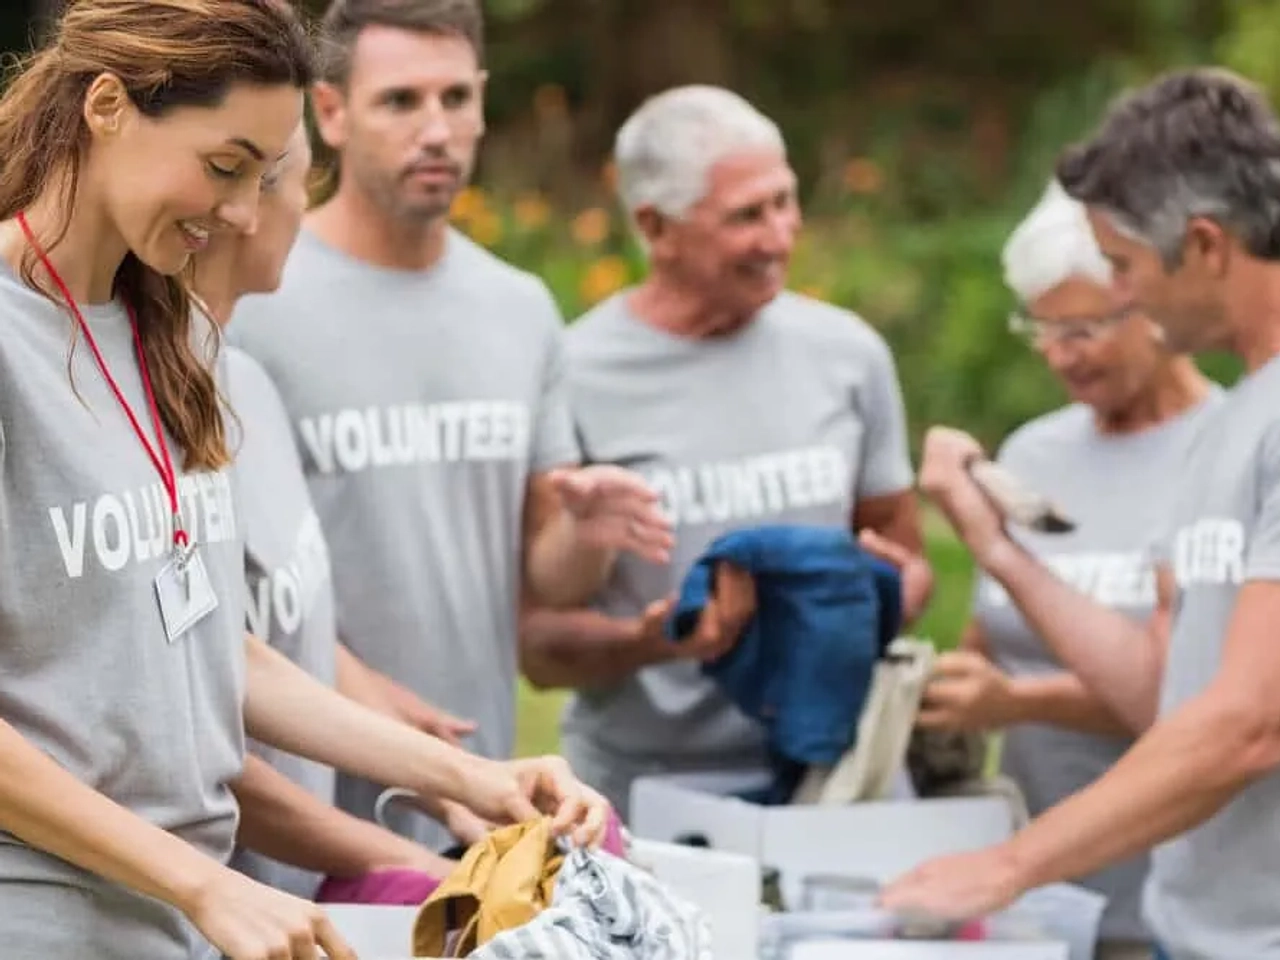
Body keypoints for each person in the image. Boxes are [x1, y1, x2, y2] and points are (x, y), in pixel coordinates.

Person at [0, 3, 611, 958]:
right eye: (224, 166)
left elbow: (214, 647)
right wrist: (204, 883)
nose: (244, 212)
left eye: (261, 175)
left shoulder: (177, 336)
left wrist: (472, 777)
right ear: (109, 106)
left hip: (175, 920)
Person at [229, 0, 671, 853]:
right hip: (294, 809)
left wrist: (584, 531)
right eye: (400, 102)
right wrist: (359, 702)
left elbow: (551, 582)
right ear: (330, 112)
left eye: (455, 99)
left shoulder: (520, 307)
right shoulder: (256, 295)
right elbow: (228, 596)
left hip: (480, 800)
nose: (436, 130)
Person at [879, 67, 1280, 960]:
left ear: (1208, 245)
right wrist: (999, 550)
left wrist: (1008, 865)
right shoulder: (1233, 423)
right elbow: (1162, 697)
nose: (1123, 298)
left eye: (1127, 269)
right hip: (1197, 931)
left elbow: (1250, 725)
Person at [519, 85, 935, 818]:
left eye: (785, 201)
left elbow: (908, 563)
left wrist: (874, 595)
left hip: (832, 780)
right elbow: (539, 643)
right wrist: (650, 642)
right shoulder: (572, 370)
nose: (781, 235)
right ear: (656, 226)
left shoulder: (847, 354)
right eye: (748, 215)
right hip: (643, 793)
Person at [916, 179, 1219, 960]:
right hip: (1035, 897)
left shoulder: (1224, 450)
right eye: (1043, 330)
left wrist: (1019, 702)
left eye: (1082, 328)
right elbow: (999, 632)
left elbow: (1199, 700)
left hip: (1167, 895)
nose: (1060, 354)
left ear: (1147, 300)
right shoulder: (1032, 453)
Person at [192, 124, 460, 904]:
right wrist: (413, 864)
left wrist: (452, 782)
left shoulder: (248, 383)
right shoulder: (154, 416)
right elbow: (198, 739)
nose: (306, 216)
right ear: (243, 201)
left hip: (303, 903)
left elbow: (281, 627)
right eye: (305, 185)